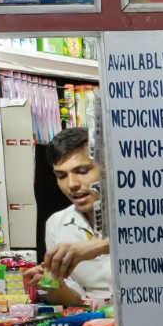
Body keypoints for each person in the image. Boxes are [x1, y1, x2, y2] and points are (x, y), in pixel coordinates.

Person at [24, 128, 112, 307]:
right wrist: (52, 285)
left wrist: (98, 246)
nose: (71, 184)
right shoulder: (57, 224)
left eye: (82, 171)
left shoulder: (141, 210)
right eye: (61, 176)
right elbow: (77, 303)